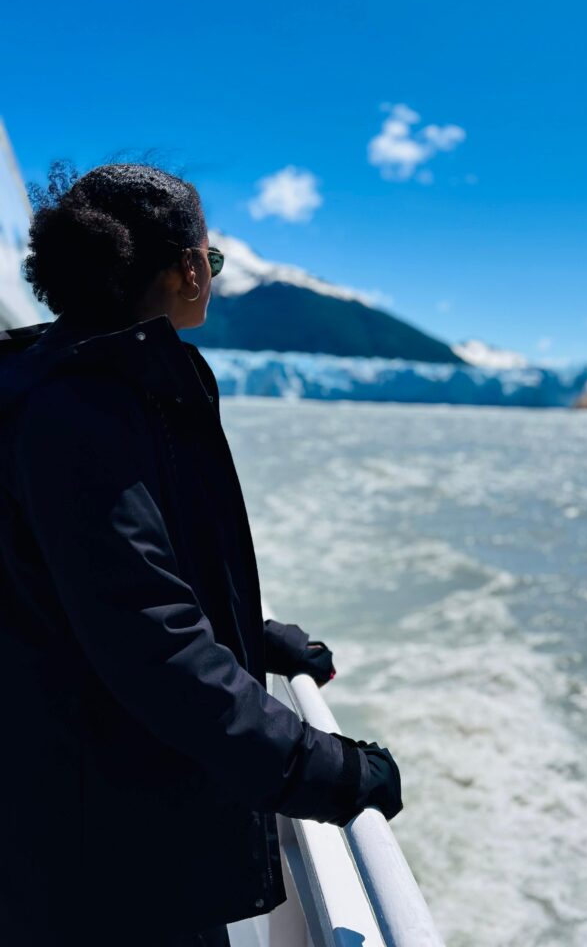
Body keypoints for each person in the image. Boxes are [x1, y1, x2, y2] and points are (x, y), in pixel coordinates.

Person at [0, 163, 403, 947]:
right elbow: (154, 646)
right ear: (187, 267)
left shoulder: (85, 382)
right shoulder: (78, 412)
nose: (211, 278)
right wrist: (336, 772)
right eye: (210, 262)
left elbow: (125, 578)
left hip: (81, 807)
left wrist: (255, 634)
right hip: (94, 852)